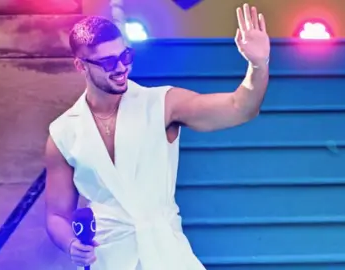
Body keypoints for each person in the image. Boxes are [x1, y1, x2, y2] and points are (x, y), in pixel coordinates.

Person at [44, 3, 270, 270]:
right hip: (107, 259)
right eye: (107, 62)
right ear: (81, 66)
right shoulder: (62, 132)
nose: (120, 67)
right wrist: (72, 245)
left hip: (169, 256)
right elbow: (57, 215)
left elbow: (239, 108)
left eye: (125, 56)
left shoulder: (162, 103)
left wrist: (258, 65)